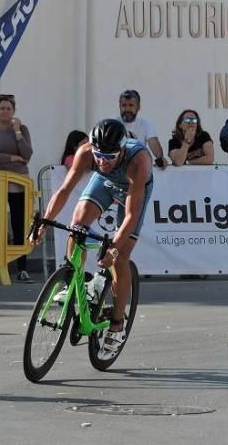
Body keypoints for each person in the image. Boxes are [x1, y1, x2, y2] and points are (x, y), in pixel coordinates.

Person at [33, 119, 153, 356]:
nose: (102, 161)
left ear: (122, 150)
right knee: (77, 226)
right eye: (99, 155)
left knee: (120, 258)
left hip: (133, 189)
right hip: (105, 183)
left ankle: (117, 325)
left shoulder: (139, 161)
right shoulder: (86, 151)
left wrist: (114, 249)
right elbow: (65, 190)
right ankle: (74, 282)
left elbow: (131, 215)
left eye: (109, 157)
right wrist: (44, 222)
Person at [0, 93, 33, 283]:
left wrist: (18, 132)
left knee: (19, 224)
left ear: (13, 111)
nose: (5, 111)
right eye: (2, 108)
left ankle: (22, 269)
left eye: (8, 108)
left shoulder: (22, 129)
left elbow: (27, 153)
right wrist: (13, 158)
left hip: (18, 183)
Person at [118, 89, 166, 168]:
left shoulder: (145, 124)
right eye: (124, 105)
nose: (127, 109)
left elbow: (154, 143)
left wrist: (160, 159)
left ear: (138, 107)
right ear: (119, 106)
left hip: (138, 168)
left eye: (131, 105)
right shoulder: (113, 124)